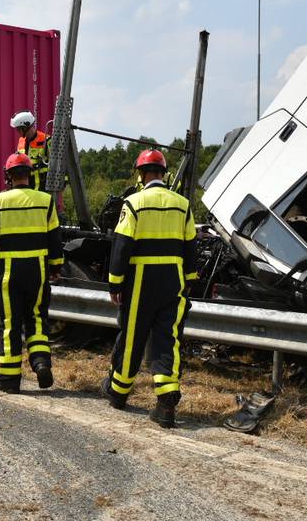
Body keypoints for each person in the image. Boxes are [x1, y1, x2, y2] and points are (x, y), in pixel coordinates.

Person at [100, 149, 197, 428]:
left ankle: (118, 393)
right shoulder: (183, 204)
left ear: (141, 174)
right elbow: (191, 246)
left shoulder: (133, 202)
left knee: (132, 336)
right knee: (168, 338)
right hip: (173, 278)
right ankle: (166, 403)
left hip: (140, 278)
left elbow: (121, 246)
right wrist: (188, 279)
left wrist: (115, 283)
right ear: (164, 173)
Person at [0, 153, 63, 393]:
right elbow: (55, 239)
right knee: (36, 318)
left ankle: (8, 379)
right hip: (37, 270)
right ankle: (41, 363)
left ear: (8, 176)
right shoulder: (46, 201)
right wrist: (55, 266)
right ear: (30, 175)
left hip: (9, 272)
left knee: (9, 323)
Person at [10, 111, 50, 192]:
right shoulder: (21, 141)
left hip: (43, 191)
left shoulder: (46, 140)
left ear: (25, 127)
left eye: (18, 128)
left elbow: (60, 168)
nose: (17, 131)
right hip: (27, 190)